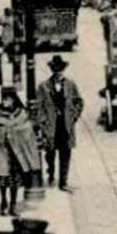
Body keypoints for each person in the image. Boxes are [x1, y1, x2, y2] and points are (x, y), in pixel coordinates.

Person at [0, 89, 42, 216]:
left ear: (14, 100)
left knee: (15, 181)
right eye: (4, 99)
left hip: (17, 153)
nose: (5, 102)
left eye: (8, 99)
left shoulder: (21, 115)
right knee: (3, 180)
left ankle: (13, 204)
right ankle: (4, 201)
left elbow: (27, 132)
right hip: (1, 152)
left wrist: (17, 133)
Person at [32, 56, 83, 190]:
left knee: (66, 153)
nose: (58, 72)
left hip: (65, 125)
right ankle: (51, 170)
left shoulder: (70, 84)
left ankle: (63, 182)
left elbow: (79, 101)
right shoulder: (43, 86)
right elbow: (39, 106)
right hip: (51, 125)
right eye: (55, 69)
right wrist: (42, 122)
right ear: (51, 70)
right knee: (50, 152)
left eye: (60, 69)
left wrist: (74, 116)